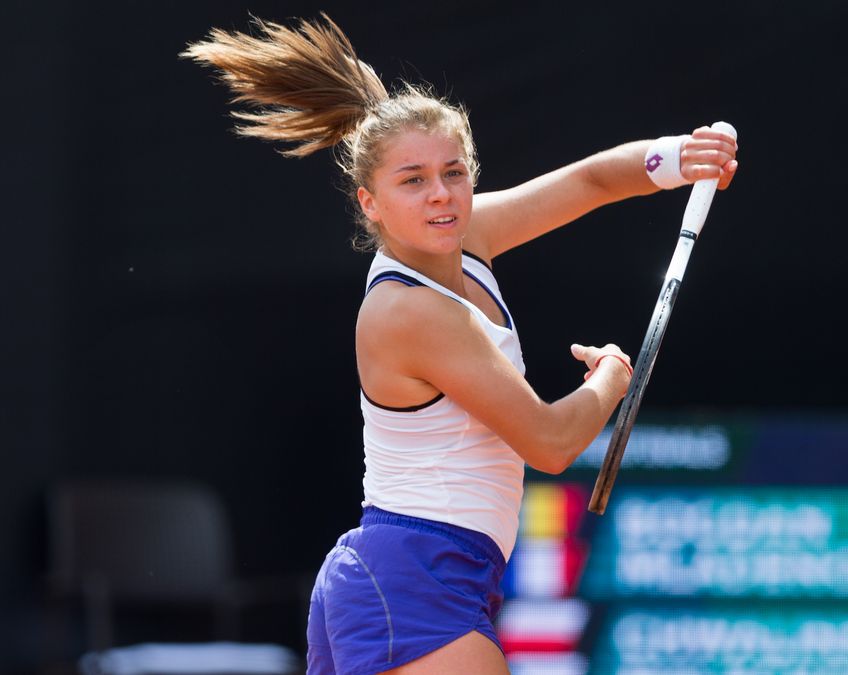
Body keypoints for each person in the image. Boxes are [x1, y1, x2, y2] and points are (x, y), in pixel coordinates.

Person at [182, 13, 737, 675]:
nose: (441, 196)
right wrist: (612, 380)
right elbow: (551, 442)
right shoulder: (412, 313)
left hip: (427, 579)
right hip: (411, 580)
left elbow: (589, 182)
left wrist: (679, 158)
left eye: (453, 173)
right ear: (371, 203)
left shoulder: (467, 236)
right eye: (412, 180)